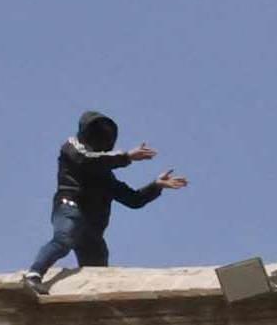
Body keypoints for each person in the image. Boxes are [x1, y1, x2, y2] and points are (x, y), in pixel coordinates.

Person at [26, 107, 183, 284]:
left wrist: (156, 185)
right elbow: (86, 159)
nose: (101, 139)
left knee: (98, 264)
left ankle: (91, 296)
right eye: (97, 134)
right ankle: (34, 275)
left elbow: (134, 199)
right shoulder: (72, 148)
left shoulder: (106, 178)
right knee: (64, 239)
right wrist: (127, 157)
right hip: (70, 207)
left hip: (92, 227)